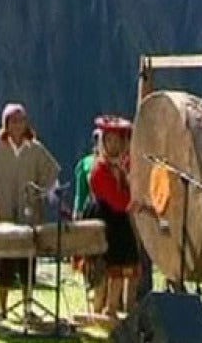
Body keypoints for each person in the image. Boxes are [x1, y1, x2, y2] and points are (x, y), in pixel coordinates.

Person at [0, 103, 60, 323]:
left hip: (30, 220)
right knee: (5, 265)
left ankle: (27, 308)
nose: (17, 125)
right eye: (13, 120)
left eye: (21, 120)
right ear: (6, 124)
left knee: (28, 265)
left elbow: (51, 179)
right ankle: (3, 309)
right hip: (5, 218)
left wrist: (54, 198)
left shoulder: (36, 149)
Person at [88, 115, 141, 318]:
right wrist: (131, 201)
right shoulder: (99, 169)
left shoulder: (125, 166)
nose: (113, 145)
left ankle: (116, 309)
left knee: (124, 265)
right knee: (104, 267)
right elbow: (116, 200)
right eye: (109, 140)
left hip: (120, 219)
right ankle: (98, 309)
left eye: (117, 140)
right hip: (103, 219)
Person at [72, 128, 106, 313]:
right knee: (90, 257)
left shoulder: (117, 164)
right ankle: (91, 290)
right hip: (90, 213)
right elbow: (80, 193)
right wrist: (77, 215)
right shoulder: (85, 164)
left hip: (110, 214)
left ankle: (106, 300)